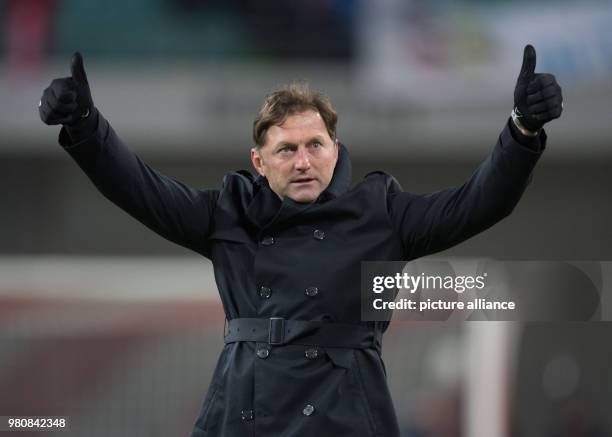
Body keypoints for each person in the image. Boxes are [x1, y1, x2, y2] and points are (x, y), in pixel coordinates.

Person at [38, 45, 562, 436]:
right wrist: (86, 126)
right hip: (241, 416)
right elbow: (138, 188)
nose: (304, 161)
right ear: (259, 162)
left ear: (336, 149)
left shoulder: (382, 213)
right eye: (286, 149)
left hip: (345, 417)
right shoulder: (228, 211)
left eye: (315, 144)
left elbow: (480, 201)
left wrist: (521, 130)